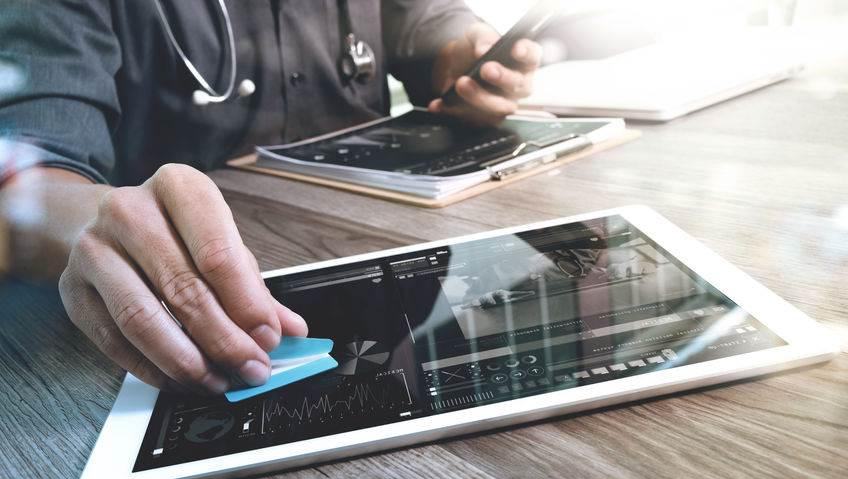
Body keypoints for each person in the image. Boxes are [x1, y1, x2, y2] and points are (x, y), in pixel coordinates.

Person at [0, 1, 542, 394]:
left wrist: (467, 52)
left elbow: (428, 23)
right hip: (174, 319)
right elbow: (28, 181)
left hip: (394, 286)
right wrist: (90, 226)